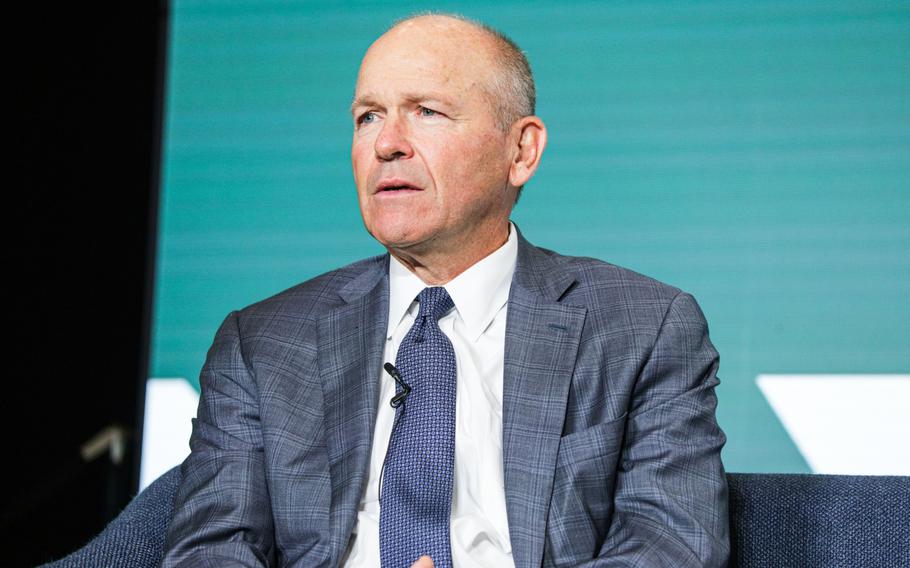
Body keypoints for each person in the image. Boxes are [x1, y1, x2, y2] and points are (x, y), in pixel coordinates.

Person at [162, 13, 729, 568]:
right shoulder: (263, 343)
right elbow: (211, 551)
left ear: (521, 151)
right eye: (367, 117)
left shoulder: (643, 327)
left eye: (427, 112)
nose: (387, 144)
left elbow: (673, 544)